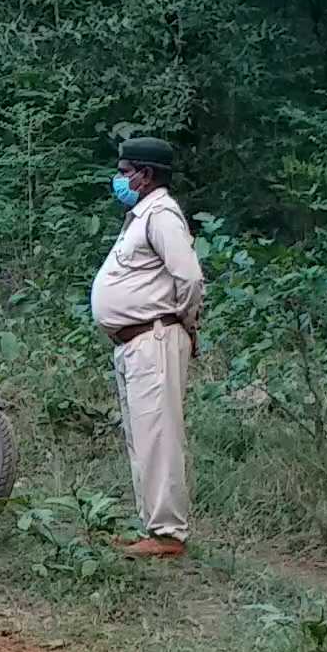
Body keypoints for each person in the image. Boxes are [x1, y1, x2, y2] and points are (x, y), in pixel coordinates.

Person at [90, 136, 205, 560]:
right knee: (143, 435)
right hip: (135, 340)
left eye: (125, 171)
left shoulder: (161, 215)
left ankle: (169, 533)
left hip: (154, 336)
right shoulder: (139, 217)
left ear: (146, 174)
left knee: (158, 435)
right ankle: (153, 526)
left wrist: (185, 324)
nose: (120, 179)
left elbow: (189, 278)